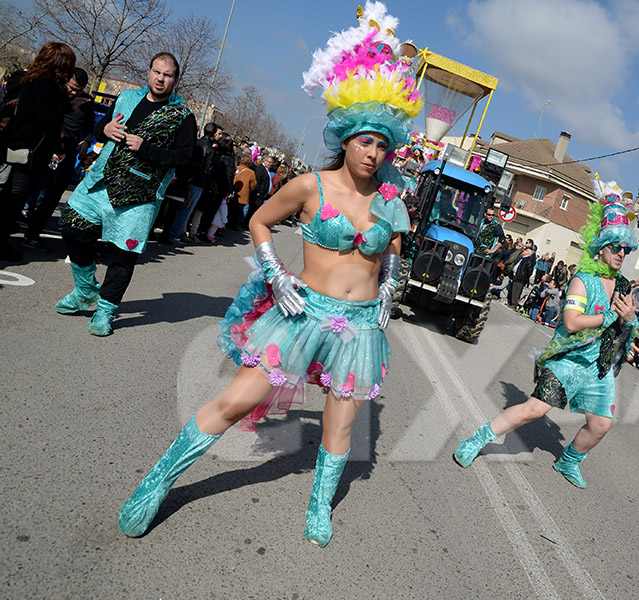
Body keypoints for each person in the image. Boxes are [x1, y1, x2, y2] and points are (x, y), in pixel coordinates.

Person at [117, 4, 420, 547]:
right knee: (236, 401)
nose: (373, 152)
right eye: (364, 139)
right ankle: (158, 479)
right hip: (302, 311)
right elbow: (258, 219)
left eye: (382, 142)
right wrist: (276, 274)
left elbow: (394, 248)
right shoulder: (310, 186)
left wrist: (391, 288)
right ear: (346, 138)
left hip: (359, 326)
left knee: (343, 426)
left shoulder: (392, 200)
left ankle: (320, 503)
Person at [454, 178, 638, 488]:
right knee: (534, 410)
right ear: (601, 246)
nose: (621, 253)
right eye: (615, 247)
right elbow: (571, 322)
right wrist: (608, 316)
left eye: (626, 249)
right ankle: (478, 439)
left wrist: (629, 320)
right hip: (568, 359)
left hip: (598, 366)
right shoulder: (582, 280)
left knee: (601, 425)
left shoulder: (622, 286)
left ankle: (569, 460)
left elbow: (622, 325)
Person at [55, 52, 197, 335]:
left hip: (140, 195)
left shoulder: (182, 117)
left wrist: (145, 148)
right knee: (73, 226)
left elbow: (185, 158)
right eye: (157, 72)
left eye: (167, 75)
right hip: (100, 181)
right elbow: (99, 128)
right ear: (148, 71)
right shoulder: (127, 98)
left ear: (175, 80)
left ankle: (105, 311)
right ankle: (85, 289)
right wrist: (104, 129)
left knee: (123, 255)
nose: (160, 78)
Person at [0, 42, 76, 261]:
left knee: (11, 195)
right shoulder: (48, 85)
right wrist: (58, 148)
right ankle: (2, 242)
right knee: (15, 197)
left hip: (19, 145)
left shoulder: (34, 79)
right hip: (32, 151)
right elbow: (48, 121)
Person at [22, 66, 91, 253]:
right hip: (47, 147)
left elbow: (92, 127)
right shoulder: (55, 95)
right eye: (72, 87)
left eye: (79, 90)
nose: (74, 92)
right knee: (27, 188)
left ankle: (32, 234)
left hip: (67, 152)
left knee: (52, 196)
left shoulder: (86, 103)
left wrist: (86, 141)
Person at [168, 121, 219, 242]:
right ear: (214, 133)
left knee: (181, 207)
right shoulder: (210, 150)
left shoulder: (196, 143)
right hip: (198, 182)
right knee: (186, 209)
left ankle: (175, 231)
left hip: (188, 178)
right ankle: (175, 232)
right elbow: (208, 170)